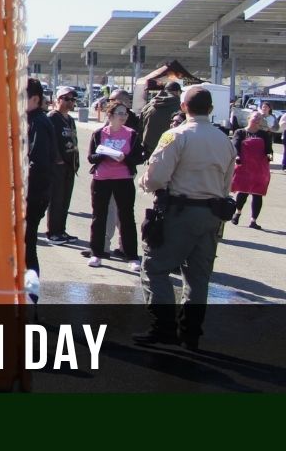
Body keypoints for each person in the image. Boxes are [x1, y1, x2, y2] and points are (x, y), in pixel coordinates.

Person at [136, 86, 237, 350]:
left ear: (183, 108)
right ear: (211, 110)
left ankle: (164, 327)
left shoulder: (175, 135)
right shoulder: (224, 140)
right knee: (198, 277)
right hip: (212, 215)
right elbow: (227, 184)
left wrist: (145, 182)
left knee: (155, 268)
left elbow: (156, 177)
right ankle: (191, 333)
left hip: (179, 213)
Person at [85, 102, 142, 269]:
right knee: (99, 216)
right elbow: (91, 157)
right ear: (109, 116)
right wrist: (103, 154)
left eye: (125, 113)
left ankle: (132, 256)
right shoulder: (98, 133)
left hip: (123, 179)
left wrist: (124, 158)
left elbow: (139, 157)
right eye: (119, 113)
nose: (123, 116)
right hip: (101, 179)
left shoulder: (132, 134)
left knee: (126, 217)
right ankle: (96, 253)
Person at [22, 77, 57, 281]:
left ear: (34, 99)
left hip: (32, 195)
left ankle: (30, 295)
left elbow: (39, 162)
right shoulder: (31, 120)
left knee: (27, 247)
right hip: (31, 193)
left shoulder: (38, 123)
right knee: (24, 245)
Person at [45, 86, 80, 243]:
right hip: (57, 166)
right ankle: (53, 232)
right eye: (66, 98)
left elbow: (74, 141)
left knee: (65, 200)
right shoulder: (52, 117)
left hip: (70, 166)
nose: (70, 102)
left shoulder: (71, 120)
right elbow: (50, 141)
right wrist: (57, 159)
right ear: (58, 100)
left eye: (72, 99)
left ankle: (61, 230)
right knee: (56, 200)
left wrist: (76, 161)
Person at [231, 111, 272, 229]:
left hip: (260, 167)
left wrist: (269, 155)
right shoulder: (241, 132)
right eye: (255, 117)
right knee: (242, 192)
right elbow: (235, 145)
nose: (257, 119)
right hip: (244, 166)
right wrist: (237, 156)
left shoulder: (264, 134)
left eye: (259, 118)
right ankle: (237, 212)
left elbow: (268, 149)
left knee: (257, 194)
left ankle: (253, 221)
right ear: (249, 118)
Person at [141, 80, 182, 158]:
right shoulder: (180, 107)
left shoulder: (149, 105)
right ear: (177, 92)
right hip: (171, 149)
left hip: (150, 149)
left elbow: (140, 127)